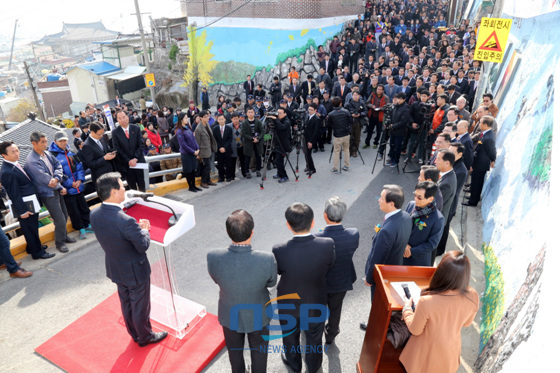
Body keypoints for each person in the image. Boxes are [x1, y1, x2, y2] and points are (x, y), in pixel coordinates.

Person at [91, 172, 168, 347]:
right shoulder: (126, 221)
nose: (124, 188)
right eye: (122, 185)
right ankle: (145, 336)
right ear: (113, 191)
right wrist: (144, 230)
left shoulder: (94, 214)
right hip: (135, 270)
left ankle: (134, 333)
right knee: (140, 305)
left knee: (126, 302)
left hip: (116, 267)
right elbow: (142, 245)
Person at [207, 209, 277, 373]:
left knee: (235, 351)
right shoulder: (267, 259)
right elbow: (272, 282)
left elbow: (216, 279)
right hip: (259, 314)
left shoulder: (213, 256)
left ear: (227, 232)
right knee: (260, 351)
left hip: (229, 313)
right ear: (252, 232)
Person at [273, 203, 335, 373]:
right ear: (313, 222)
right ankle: (313, 366)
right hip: (316, 300)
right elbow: (329, 266)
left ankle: (294, 365)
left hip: (288, 303)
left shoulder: (279, 249)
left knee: (289, 337)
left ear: (288, 225)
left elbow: (278, 271)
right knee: (315, 337)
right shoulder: (327, 244)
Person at [400, 251, 479, 373]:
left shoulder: (426, 301)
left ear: (441, 272)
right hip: (449, 356)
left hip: (424, 357)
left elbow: (415, 330)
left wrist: (407, 309)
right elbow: (467, 323)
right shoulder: (473, 296)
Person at [362, 184, 412, 330]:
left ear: (391, 203)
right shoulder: (405, 217)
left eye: (382, 198)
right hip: (396, 268)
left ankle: (376, 329)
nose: (378, 200)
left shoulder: (387, 231)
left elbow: (378, 257)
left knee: (378, 304)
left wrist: (369, 278)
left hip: (383, 275)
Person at [314, 196, 359, 345]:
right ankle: (331, 333)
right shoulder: (353, 234)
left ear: (325, 215)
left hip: (321, 283)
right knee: (336, 309)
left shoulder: (317, 238)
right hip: (342, 280)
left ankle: (316, 335)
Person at [1, 141, 55, 260]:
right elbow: (14, 194)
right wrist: (23, 211)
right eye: (13, 152)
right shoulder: (6, 171)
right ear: (3, 155)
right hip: (25, 206)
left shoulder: (14, 164)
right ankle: (37, 252)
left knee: (32, 227)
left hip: (31, 202)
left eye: (17, 150)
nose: (17, 153)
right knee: (29, 229)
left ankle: (32, 247)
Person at [25, 132, 76, 254]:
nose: (45, 144)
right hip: (47, 193)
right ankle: (60, 242)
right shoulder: (31, 161)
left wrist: (57, 179)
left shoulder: (46, 153)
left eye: (46, 141)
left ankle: (64, 236)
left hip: (56, 188)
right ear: (34, 143)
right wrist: (60, 186)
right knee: (59, 219)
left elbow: (58, 165)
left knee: (64, 215)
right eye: (42, 142)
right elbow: (45, 180)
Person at [49, 132, 92, 240]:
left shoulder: (71, 152)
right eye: (60, 141)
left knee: (83, 206)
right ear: (55, 142)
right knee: (73, 210)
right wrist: (70, 183)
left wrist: (79, 179)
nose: (63, 143)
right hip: (67, 189)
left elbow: (79, 166)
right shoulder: (52, 156)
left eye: (65, 140)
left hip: (78, 185)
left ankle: (87, 224)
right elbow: (56, 173)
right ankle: (80, 228)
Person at [403, 182, 445, 266]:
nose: (415, 199)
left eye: (419, 197)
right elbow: (402, 225)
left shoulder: (438, 218)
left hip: (417, 260)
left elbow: (432, 244)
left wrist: (411, 251)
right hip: (401, 252)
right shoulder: (411, 205)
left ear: (430, 199)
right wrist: (404, 244)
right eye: (415, 195)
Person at [464, 116, 496, 207]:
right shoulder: (485, 133)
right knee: (474, 182)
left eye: (481, 123)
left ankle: (473, 201)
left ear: (485, 125)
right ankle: (473, 197)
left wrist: (493, 159)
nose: (479, 125)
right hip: (477, 162)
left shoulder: (489, 137)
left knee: (477, 183)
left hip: (481, 164)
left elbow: (492, 150)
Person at [112, 111, 146, 192]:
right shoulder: (115, 132)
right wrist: (129, 160)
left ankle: (144, 201)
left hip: (138, 161)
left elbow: (141, 145)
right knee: (131, 186)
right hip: (126, 164)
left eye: (124, 117)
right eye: (119, 118)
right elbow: (117, 148)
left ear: (127, 117)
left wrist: (135, 158)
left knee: (142, 183)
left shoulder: (136, 128)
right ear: (117, 120)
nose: (122, 120)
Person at [81, 121, 116, 188]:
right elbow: (90, 164)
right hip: (100, 177)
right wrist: (104, 158)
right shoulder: (87, 145)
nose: (101, 136)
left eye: (102, 133)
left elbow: (107, 150)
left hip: (110, 173)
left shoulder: (101, 138)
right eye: (99, 134)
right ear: (92, 132)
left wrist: (113, 152)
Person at [175, 113, 201, 192]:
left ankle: (194, 185)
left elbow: (194, 139)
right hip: (186, 154)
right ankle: (190, 186)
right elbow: (183, 145)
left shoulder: (188, 128)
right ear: (181, 120)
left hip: (193, 153)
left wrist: (198, 148)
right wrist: (193, 152)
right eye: (186, 118)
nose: (187, 119)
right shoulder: (179, 131)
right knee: (188, 171)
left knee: (193, 170)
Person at [327, 97, 352, 173]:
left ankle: (335, 168)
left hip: (337, 135)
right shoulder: (346, 111)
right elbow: (350, 121)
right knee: (346, 150)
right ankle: (346, 165)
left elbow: (329, 125)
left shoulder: (331, 114)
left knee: (336, 151)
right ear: (341, 103)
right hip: (346, 134)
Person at [387, 92, 412, 167]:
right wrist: (390, 123)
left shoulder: (406, 108)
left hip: (400, 131)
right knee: (391, 145)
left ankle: (396, 160)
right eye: (398, 99)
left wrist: (394, 126)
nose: (398, 100)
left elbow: (404, 121)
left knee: (397, 147)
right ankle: (391, 158)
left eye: (400, 99)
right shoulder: (395, 106)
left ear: (404, 99)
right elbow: (392, 116)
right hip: (393, 130)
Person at [268, 107, 292, 183]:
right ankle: (279, 173)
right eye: (278, 113)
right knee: (277, 160)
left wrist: (275, 119)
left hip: (283, 145)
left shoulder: (287, 121)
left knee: (278, 161)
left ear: (285, 114)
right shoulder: (278, 119)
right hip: (277, 143)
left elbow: (282, 127)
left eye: (280, 113)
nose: (278, 114)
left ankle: (284, 176)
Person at [194, 110, 217, 188]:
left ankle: (208, 180)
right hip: (203, 151)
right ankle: (203, 181)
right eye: (205, 117)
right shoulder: (198, 129)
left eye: (208, 116)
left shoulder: (207, 124)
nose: (207, 118)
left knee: (209, 166)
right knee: (206, 166)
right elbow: (197, 142)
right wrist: (199, 154)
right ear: (201, 118)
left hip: (209, 148)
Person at [212, 114, 233, 182]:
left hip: (227, 149)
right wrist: (220, 147)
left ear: (225, 119)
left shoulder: (229, 128)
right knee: (220, 164)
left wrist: (225, 147)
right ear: (217, 120)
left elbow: (230, 139)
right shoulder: (215, 129)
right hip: (219, 150)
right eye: (219, 119)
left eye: (222, 119)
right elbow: (215, 140)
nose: (221, 121)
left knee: (228, 163)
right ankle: (221, 177)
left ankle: (228, 176)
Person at [303, 103, 321, 174]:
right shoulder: (307, 115)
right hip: (305, 137)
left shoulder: (317, 119)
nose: (309, 111)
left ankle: (312, 168)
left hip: (311, 139)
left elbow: (315, 132)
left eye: (311, 110)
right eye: (309, 109)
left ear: (315, 110)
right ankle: (308, 166)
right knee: (305, 153)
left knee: (308, 154)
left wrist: (311, 142)